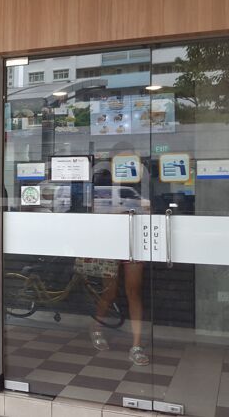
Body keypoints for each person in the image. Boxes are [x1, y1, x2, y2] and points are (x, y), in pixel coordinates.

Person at [89, 144, 148, 366]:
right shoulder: (102, 178)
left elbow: (151, 205)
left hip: (134, 241)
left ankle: (137, 345)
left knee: (134, 291)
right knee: (110, 291)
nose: (127, 165)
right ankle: (96, 328)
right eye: (122, 160)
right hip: (110, 241)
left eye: (131, 160)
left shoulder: (141, 181)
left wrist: (146, 208)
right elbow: (94, 209)